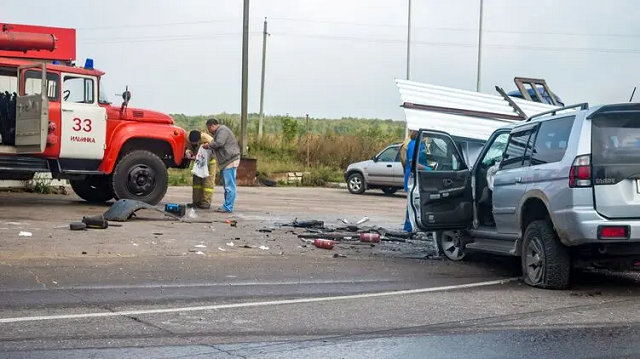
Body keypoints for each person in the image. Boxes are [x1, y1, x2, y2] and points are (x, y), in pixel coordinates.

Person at [202, 118, 241, 213]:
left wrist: (208, 146)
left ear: (212, 126)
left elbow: (219, 143)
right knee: (227, 185)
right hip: (227, 161)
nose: (209, 131)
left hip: (230, 160)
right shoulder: (219, 132)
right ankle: (227, 205)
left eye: (209, 129)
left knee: (229, 186)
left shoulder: (222, 131)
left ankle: (228, 207)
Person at [403, 130, 429, 232]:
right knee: (412, 203)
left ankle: (414, 226)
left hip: (419, 177)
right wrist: (428, 169)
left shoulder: (421, 145)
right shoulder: (414, 145)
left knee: (416, 203)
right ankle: (409, 228)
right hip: (413, 178)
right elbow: (413, 163)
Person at [185, 130, 217, 209]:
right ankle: (196, 202)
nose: (194, 144)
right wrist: (188, 152)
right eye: (192, 143)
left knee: (208, 182)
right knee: (197, 182)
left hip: (209, 162)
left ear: (199, 139)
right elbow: (188, 148)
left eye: (195, 142)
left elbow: (214, 149)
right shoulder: (188, 138)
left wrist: (199, 156)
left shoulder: (207, 139)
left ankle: (206, 202)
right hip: (198, 162)